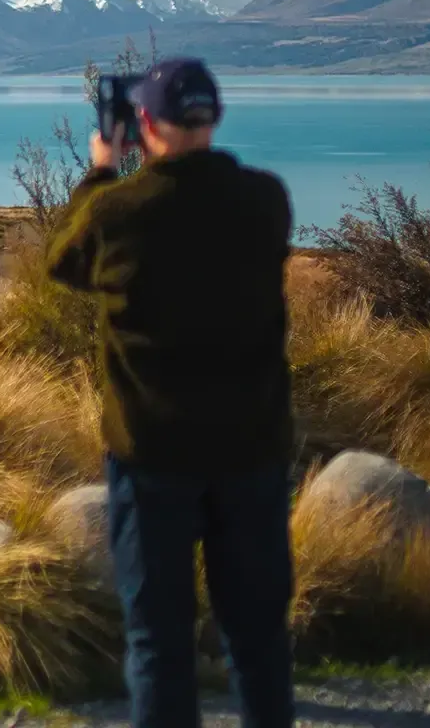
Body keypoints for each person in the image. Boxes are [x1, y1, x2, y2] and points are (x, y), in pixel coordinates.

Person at [44, 58, 295, 728]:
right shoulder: (265, 199)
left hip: (153, 452)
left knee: (159, 639)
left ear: (144, 124)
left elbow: (62, 261)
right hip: (253, 445)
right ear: (213, 118)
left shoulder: (121, 210)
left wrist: (102, 166)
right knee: (259, 636)